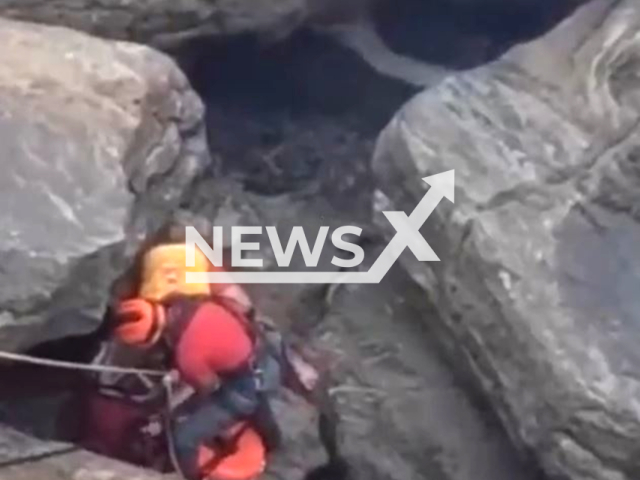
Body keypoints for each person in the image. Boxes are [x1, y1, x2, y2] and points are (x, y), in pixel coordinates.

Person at [110, 216, 345, 480]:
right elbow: (240, 309)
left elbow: (208, 389)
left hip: (246, 384)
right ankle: (272, 439)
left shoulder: (187, 355)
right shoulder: (199, 302)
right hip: (266, 359)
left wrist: (178, 403)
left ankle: (188, 476)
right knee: (252, 399)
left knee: (183, 436)